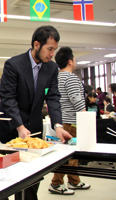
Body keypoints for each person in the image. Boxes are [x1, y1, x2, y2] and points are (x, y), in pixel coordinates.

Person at [0, 26, 72, 200]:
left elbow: (53, 97)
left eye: (55, 49)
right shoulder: (14, 64)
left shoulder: (51, 68)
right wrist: (19, 126)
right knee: (4, 181)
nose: (52, 54)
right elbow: (8, 99)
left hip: (34, 131)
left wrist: (58, 125)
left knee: (30, 181)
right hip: (9, 129)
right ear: (37, 44)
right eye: (50, 49)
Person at [48, 47, 90, 195]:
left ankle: (74, 180)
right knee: (69, 157)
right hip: (72, 123)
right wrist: (86, 121)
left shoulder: (57, 77)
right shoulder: (71, 78)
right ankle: (56, 183)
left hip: (62, 122)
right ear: (70, 61)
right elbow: (77, 100)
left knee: (70, 155)